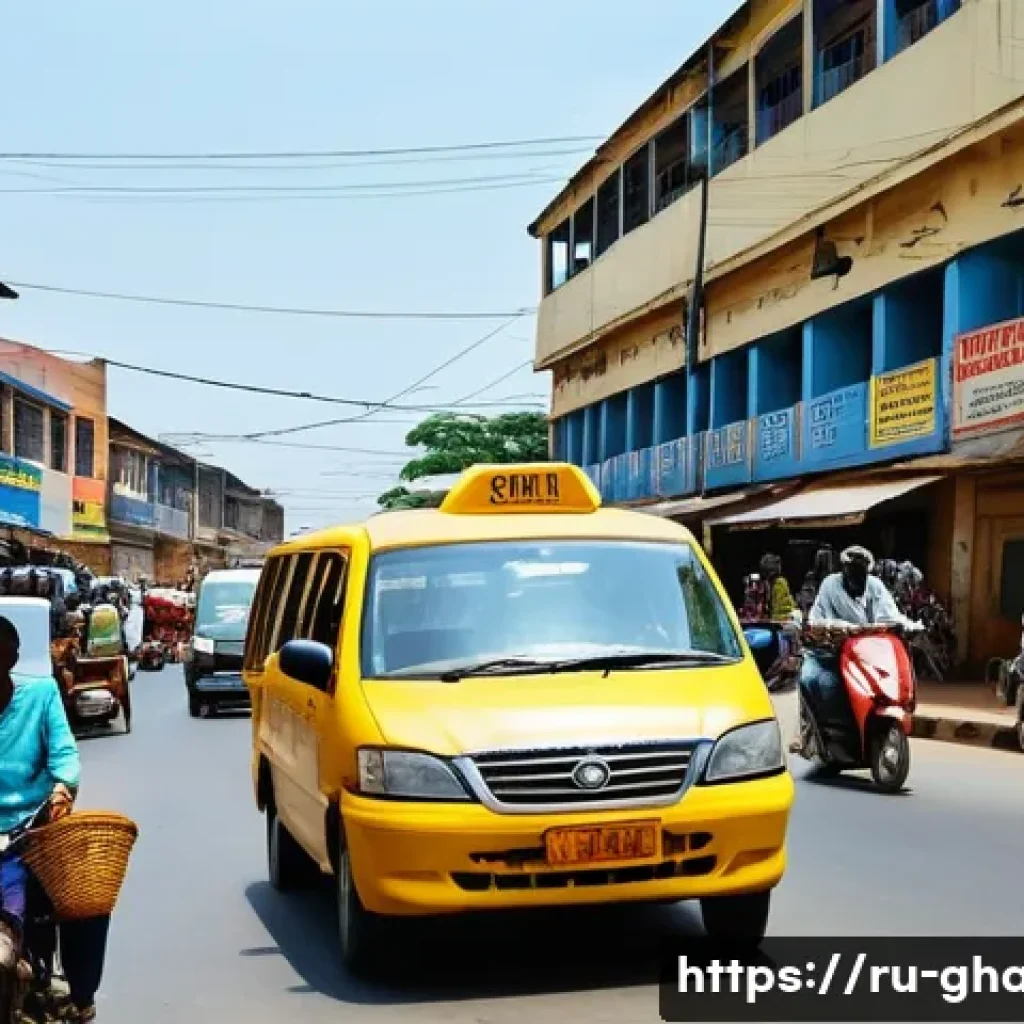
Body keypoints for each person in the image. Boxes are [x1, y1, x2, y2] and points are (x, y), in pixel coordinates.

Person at [0, 616, 109, 1021]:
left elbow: (65, 755)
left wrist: (63, 787)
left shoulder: (41, 695)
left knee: (87, 896)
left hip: (33, 829)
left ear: (11, 657)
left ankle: (80, 992)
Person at [794, 546, 920, 754]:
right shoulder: (829, 585)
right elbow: (818, 617)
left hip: (869, 648)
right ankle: (811, 733)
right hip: (836, 648)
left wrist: (909, 626)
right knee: (814, 679)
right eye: (852, 570)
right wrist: (834, 627)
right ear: (844, 569)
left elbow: (890, 613)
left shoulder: (875, 586)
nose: (857, 577)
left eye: (861, 572)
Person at [759, 554, 796, 622]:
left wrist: (772, 620)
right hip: (776, 620)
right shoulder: (767, 584)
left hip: (786, 621)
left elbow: (782, 609)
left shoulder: (780, 583)